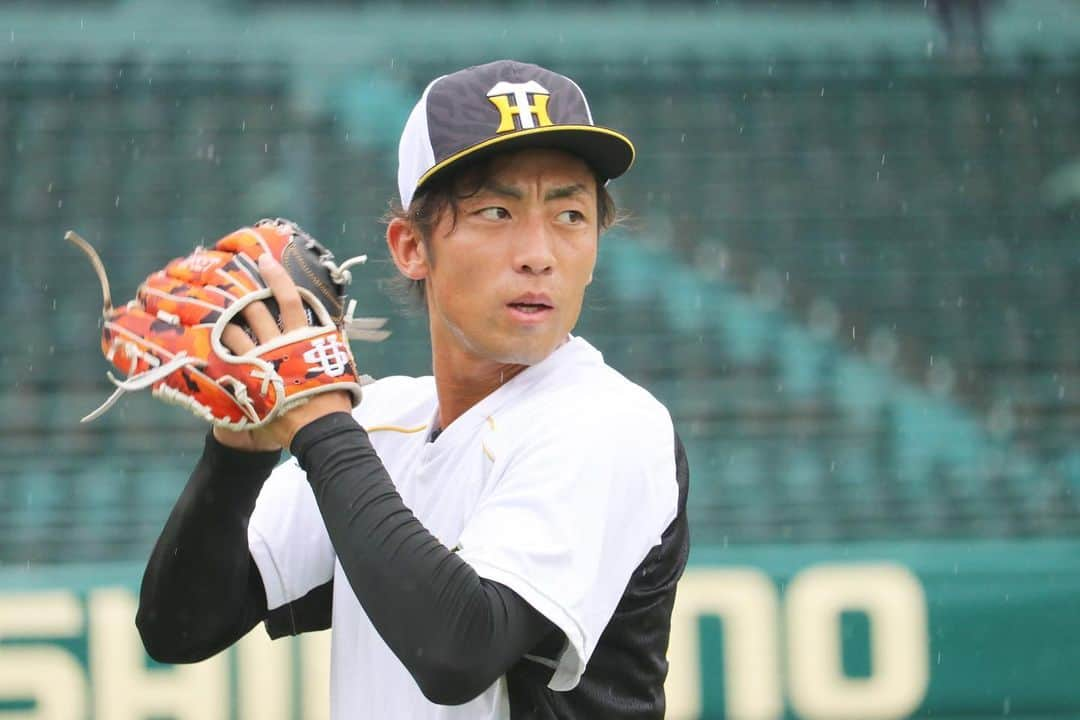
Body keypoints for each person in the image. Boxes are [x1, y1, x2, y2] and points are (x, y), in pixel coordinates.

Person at [136, 59, 690, 720]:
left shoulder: (610, 422)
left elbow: (459, 652)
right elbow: (181, 625)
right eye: (495, 210)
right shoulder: (382, 420)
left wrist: (317, 422)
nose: (539, 252)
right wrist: (239, 451)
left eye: (570, 214)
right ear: (409, 247)